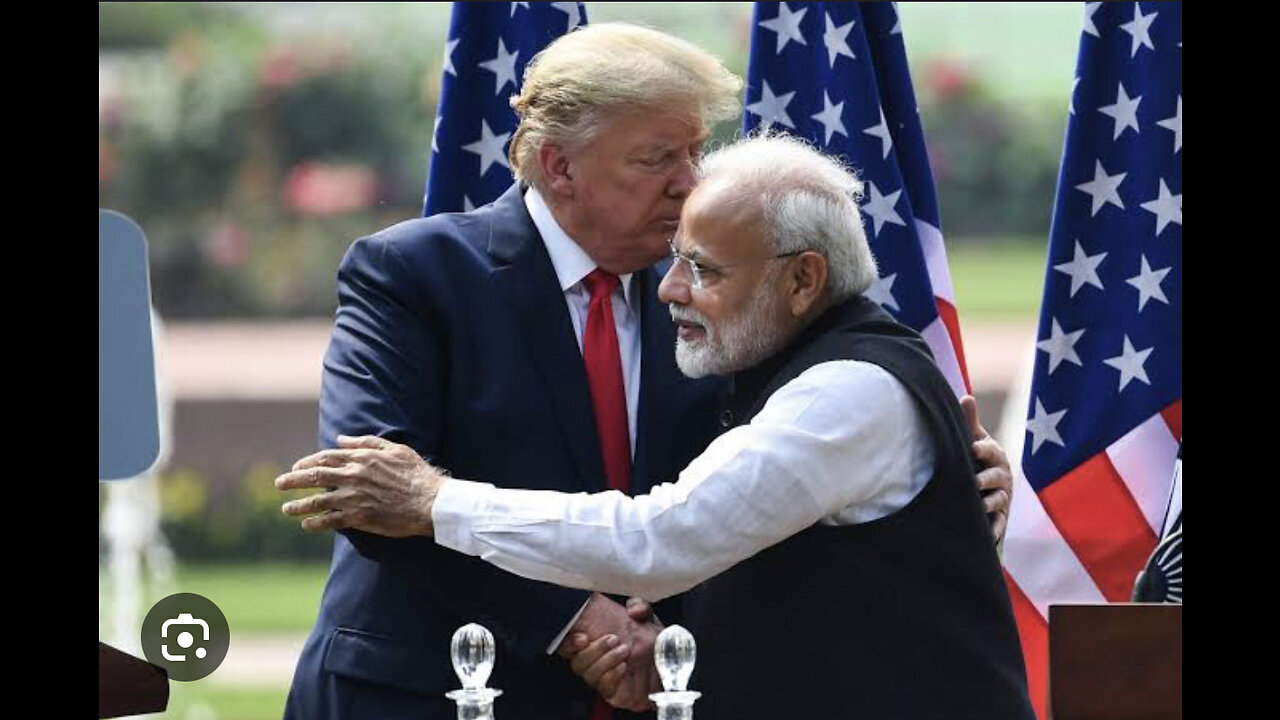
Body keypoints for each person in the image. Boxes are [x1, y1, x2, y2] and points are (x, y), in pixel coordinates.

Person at [282, 23, 1014, 720]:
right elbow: (369, 493)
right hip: (437, 691)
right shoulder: (414, 275)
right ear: (559, 166)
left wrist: (946, 471)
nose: (689, 182)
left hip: (654, 685)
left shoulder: (727, 297)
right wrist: (572, 623)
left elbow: (725, 502)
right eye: (656, 158)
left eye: (696, 152)